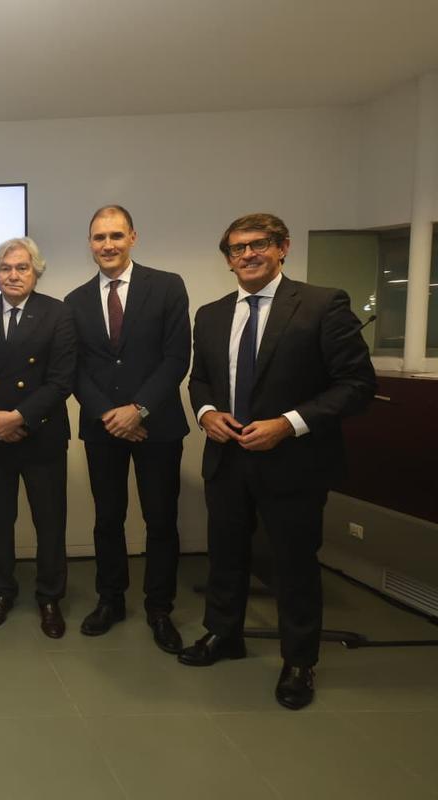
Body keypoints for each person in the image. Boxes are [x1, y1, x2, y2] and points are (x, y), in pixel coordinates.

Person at [180, 213, 375, 710]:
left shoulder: (321, 305)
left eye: (258, 245)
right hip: (227, 457)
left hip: (293, 462)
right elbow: (199, 378)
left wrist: (288, 423)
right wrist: (206, 413)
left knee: (293, 565)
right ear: (227, 259)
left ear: (282, 247)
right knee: (225, 556)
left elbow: (357, 386)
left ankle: (298, 660)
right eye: (237, 248)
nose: (247, 255)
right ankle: (224, 635)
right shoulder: (212, 313)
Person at [64, 205, 190, 655]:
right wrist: (111, 416)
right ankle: (110, 600)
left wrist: (138, 410)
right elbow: (75, 370)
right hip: (103, 429)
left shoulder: (168, 286)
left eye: (116, 235)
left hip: (157, 426)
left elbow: (177, 357)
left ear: (133, 237)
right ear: (90, 243)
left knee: (160, 520)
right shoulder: (75, 301)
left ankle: (160, 608)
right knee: (107, 519)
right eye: (99, 237)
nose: (108, 245)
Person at [0, 237, 76, 637]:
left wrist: (20, 417)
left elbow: (61, 380)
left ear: (36, 272)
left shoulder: (59, 314)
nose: (14, 275)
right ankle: (2, 591)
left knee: (50, 522)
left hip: (41, 436)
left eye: (22, 268)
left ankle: (49, 596)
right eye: (6, 268)